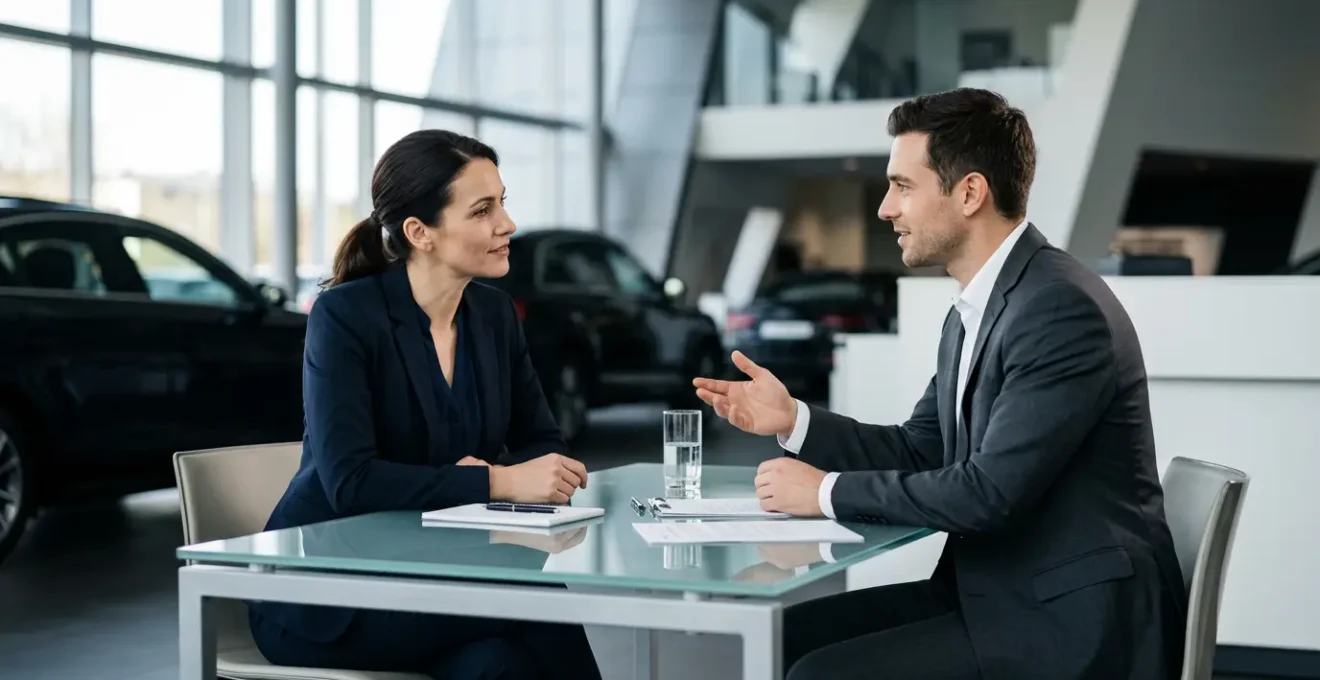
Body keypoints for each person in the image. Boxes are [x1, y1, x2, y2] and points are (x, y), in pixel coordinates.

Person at [693, 89, 1188, 680]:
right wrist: (795, 420)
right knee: (785, 639)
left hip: (1068, 623)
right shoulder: (978, 309)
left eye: (903, 186)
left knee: (818, 675)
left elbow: (988, 494)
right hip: (998, 593)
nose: (885, 208)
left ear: (970, 193)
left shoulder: (1057, 308)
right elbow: (922, 448)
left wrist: (824, 493)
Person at [248, 130, 603, 680]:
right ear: (421, 232)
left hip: (438, 577)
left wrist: (506, 475)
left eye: (503, 203)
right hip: (328, 594)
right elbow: (352, 481)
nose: (507, 225)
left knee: (493, 665)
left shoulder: (493, 315)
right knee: (537, 605)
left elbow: (543, 443)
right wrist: (495, 484)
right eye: (483, 210)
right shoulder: (344, 317)